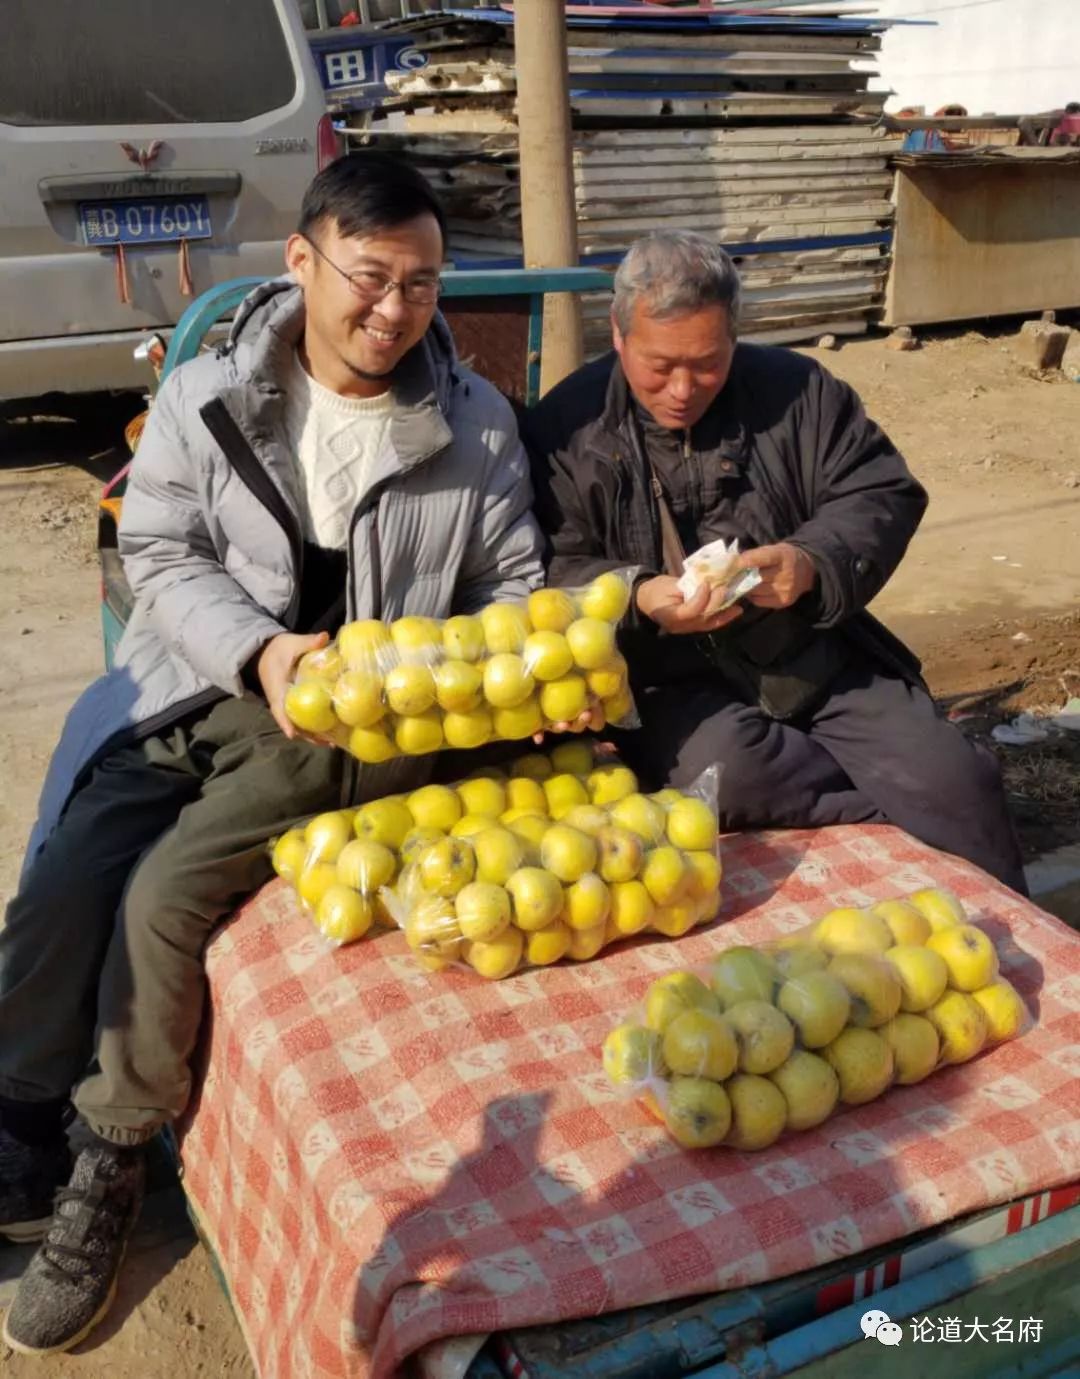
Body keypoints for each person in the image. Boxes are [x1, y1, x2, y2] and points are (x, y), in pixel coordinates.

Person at [0, 151, 544, 1355]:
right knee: (65, 875)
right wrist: (260, 654)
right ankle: (24, 1114)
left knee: (162, 896)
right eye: (369, 277)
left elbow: (510, 590)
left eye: (422, 285)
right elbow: (158, 550)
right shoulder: (204, 396)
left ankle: (109, 1157)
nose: (394, 310)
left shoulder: (478, 426)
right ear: (301, 263)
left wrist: (420, 673)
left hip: (354, 728)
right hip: (200, 683)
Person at [525, 229, 1026, 895]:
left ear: (734, 337)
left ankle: (1023, 938)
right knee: (724, 779)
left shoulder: (798, 391)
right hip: (669, 679)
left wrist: (811, 561)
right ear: (618, 338)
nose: (682, 388)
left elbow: (880, 490)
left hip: (812, 652)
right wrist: (637, 594)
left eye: (706, 363)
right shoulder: (566, 426)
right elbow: (547, 565)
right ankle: (884, 800)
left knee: (960, 781)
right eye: (659, 365)